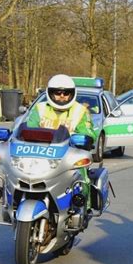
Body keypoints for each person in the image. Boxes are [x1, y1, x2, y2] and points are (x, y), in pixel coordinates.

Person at [27, 74, 96, 208]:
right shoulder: (39, 109)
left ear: (72, 94)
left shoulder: (80, 111)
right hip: (41, 154)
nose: (62, 96)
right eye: (58, 92)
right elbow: (27, 128)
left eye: (66, 93)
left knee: (81, 175)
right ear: (50, 93)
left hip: (68, 155)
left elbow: (88, 132)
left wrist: (83, 138)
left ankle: (82, 207)